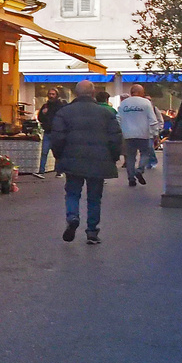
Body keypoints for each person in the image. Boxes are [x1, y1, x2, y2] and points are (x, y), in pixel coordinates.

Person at [49, 79, 123, 244]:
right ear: (93, 93)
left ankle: (73, 217)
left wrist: (59, 156)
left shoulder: (64, 112)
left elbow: (57, 137)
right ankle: (92, 232)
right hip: (99, 161)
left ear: (76, 94)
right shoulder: (107, 113)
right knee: (94, 197)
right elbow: (115, 138)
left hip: (72, 159)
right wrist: (114, 157)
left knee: (73, 192)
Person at [117, 83, 161, 187]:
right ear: (141, 93)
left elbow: (118, 118)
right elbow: (153, 120)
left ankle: (131, 178)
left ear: (131, 93)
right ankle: (140, 170)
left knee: (130, 157)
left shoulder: (124, 104)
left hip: (128, 135)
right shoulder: (146, 103)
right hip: (143, 134)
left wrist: (122, 130)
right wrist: (155, 133)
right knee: (145, 153)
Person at [36, 88, 65, 174]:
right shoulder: (45, 106)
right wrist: (43, 114)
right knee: (44, 152)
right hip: (48, 132)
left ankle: (58, 171)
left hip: (57, 132)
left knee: (57, 153)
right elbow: (40, 118)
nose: (51, 96)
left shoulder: (60, 106)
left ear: (56, 95)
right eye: (50, 94)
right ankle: (41, 171)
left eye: (53, 94)